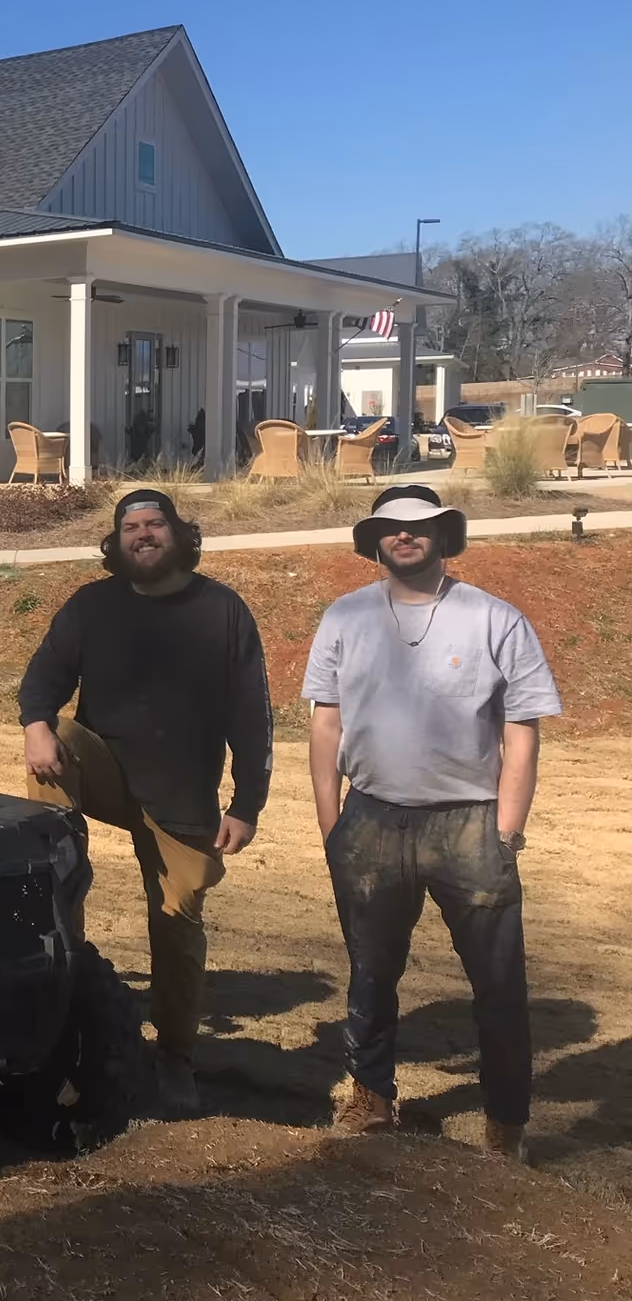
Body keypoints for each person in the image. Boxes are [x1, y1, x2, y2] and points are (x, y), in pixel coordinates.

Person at [303, 484, 560, 1159]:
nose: (404, 536)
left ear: (445, 536)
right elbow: (325, 723)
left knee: (499, 985)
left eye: (420, 526)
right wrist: (334, 824)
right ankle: (371, 1099)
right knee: (370, 972)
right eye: (390, 527)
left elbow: (522, 732)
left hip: (470, 826)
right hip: (370, 821)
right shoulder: (345, 618)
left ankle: (506, 1127)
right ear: (374, 541)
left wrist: (506, 829)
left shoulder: (494, 619)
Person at [17, 489, 271, 1118]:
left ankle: (176, 1057)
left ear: (179, 533)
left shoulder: (222, 610)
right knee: (62, 738)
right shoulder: (92, 605)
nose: (142, 534)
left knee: (178, 922)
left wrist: (246, 804)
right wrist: (35, 724)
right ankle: (60, 883)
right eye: (130, 526)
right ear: (117, 541)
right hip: (105, 772)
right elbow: (41, 679)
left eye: (154, 523)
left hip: (180, 794)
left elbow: (253, 716)